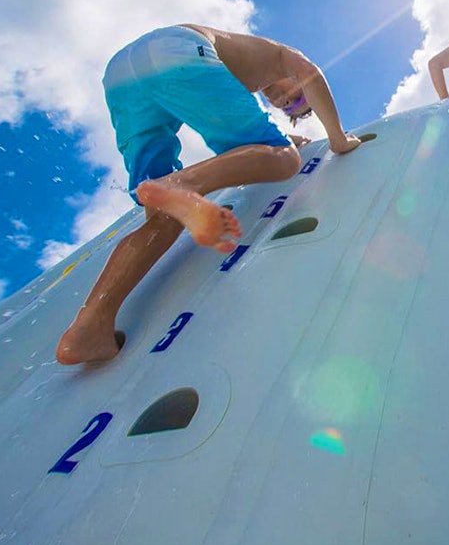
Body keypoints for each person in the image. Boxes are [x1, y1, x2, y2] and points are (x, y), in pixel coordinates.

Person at [56, 24, 360, 365]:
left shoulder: (235, 73)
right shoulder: (280, 54)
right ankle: (179, 185)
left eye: (291, 109)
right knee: (284, 158)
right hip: (175, 49)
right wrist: (337, 138)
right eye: (298, 97)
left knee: (164, 217)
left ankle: (89, 326)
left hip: (119, 76)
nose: (287, 102)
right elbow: (310, 71)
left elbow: (229, 128)